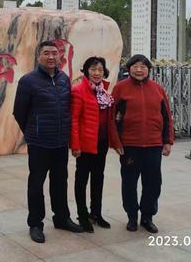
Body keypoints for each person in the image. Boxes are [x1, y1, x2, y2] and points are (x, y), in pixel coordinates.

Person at [13, 40, 82, 243]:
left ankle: (61, 218)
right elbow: (19, 112)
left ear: (60, 56)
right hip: (39, 143)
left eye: (55, 53)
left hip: (60, 142)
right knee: (36, 184)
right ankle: (35, 224)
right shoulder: (28, 81)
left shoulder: (64, 79)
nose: (51, 57)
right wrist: (33, 131)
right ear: (38, 56)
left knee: (60, 183)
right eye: (46, 53)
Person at [111, 54, 174, 234]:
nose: (139, 70)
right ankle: (132, 216)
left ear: (148, 69)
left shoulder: (158, 89)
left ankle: (147, 217)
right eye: (135, 66)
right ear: (129, 69)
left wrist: (168, 141)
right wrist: (116, 141)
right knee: (129, 183)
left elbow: (167, 117)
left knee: (153, 183)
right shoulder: (120, 89)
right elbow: (112, 119)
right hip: (130, 146)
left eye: (143, 66)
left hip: (154, 146)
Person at [70, 56, 117, 233]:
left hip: (101, 143)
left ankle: (95, 213)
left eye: (100, 70)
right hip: (85, 144)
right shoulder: (79, 90)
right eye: (93, 69)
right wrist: (75, 145)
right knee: (82, 180)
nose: (97, 73)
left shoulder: (104, 91)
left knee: (98, 178)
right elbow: (74, 120)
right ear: (86, 71)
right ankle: (82, 216)